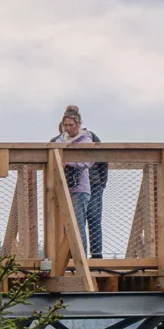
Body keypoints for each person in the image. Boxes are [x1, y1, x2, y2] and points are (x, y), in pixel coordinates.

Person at [53, 105, 105, 258]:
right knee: (68, 223)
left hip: (82, 186)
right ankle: (68, 256)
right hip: (64, 185)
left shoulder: (87, 139)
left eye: (70, 125)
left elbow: (90, 161)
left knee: (81, 222)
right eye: (66, 125)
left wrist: (68, 162)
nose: (68, 128)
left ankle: (83, 257)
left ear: (78, 124)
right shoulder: (59, 140)